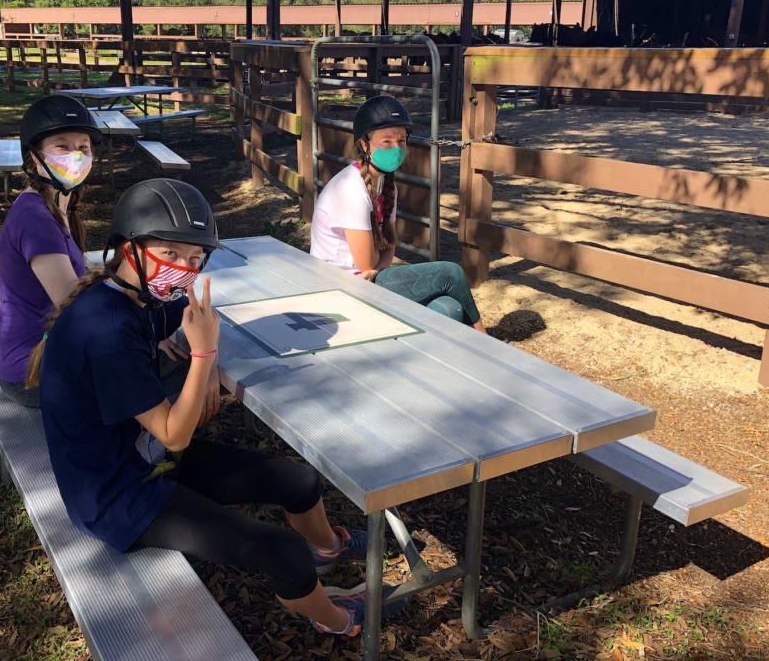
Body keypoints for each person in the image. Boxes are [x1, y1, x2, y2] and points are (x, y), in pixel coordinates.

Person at [26, 178, 404, 636]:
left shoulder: (136, 294)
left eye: (194, 258)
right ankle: (341, 622)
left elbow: (201, 315)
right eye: (170, 254)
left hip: (146, 459)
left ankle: (326, 550)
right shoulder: (104, 330)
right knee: (282, 552)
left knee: (296, 479)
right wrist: (202, 359)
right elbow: (174, 433)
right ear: (128, 249)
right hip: (118, 497)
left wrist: (207, 356)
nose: (183, 269)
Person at [310, 95, 486, 333]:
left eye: (401, 140)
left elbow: (388, 249)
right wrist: (376, 265)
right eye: (386, 141)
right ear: (364, 145)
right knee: (451, 273)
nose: (396, 148)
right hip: (343, 288)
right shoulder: (351, 190)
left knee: (449, 309)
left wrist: (378, 268)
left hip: (369, 282)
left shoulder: (388, 185)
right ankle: (485, 340)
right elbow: (366, 264)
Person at [0, 94, 102, 408]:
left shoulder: (57, 208)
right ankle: (151, 448)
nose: (76, 156)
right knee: (163, 367)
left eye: (83, 147)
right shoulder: (36, 218)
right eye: (62, 146)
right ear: (34, 157)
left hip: (47, 355)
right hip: (32, 373)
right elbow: (76, 307)